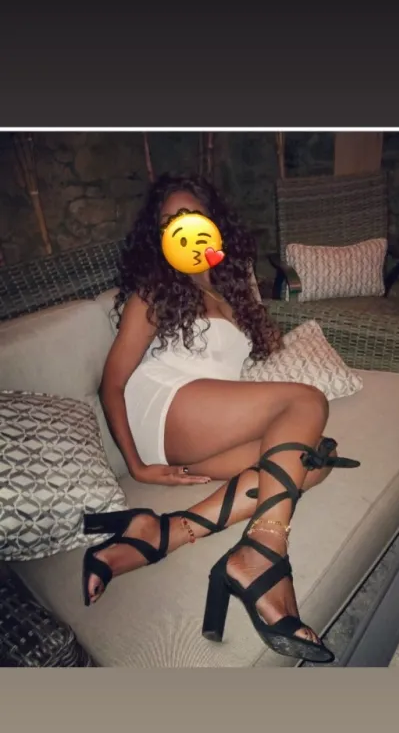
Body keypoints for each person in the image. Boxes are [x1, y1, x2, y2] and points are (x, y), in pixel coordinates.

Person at [82, 173, 359, 663]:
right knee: (306, 401)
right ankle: (263, 554)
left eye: (191, 217)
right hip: (166, 406)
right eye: (169, 222)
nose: (181, 229)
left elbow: (260, 349)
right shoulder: (155, 289)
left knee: (312, 460)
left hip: (205, 424)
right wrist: (138, 467)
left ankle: (164, 532)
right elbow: (112, 384)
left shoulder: (230, 288)